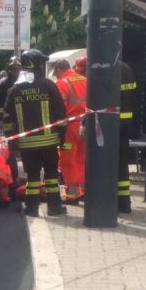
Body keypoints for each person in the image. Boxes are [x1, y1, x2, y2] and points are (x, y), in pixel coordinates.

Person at [4, 49, 67, 217]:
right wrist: (62, 136)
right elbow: (61, 114)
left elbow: (7, 119)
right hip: (49, 141)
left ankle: (31, 208)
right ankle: (54, 207)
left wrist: (12, 143)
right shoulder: (48, 85)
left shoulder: (14, 90)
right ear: (36, 64)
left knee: (32, 176)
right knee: (52, 175)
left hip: (27, 145)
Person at [53, 59, 87, 202]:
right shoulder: (84, 79)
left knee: (66, 160)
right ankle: (83, 190)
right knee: (81, 158)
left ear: (59, 69)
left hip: (70, 127)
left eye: (56, 73)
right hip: (86, 125)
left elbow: (59, 108)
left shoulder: (62, 83)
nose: (56, 76)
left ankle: (73, 194)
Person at [118, 61, 137, 213]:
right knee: (122, 164)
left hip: (110, 123)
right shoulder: (127, 68)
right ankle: (124, 203)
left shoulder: (106, 67)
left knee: (108, 163)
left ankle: (110, 201)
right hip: (126, 122)